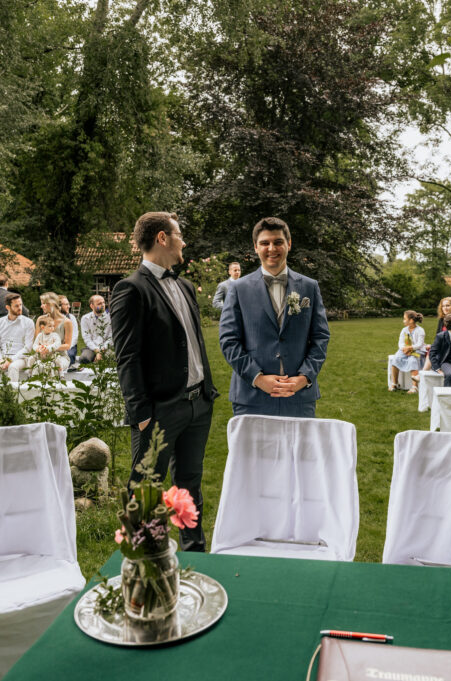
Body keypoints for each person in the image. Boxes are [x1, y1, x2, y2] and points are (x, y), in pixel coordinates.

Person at [110, 211, 217, 553]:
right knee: (146, 490)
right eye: (179, 234)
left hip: (198, 405)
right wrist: (141, 414)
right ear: (162, 238)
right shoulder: (131, 289)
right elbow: (127, 357)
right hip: (159, 411)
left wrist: (205, 395)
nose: (184, 241)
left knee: (189, 484)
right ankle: (148, 561)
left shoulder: (184, 286)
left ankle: (197, 556)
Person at [219, 217, 331, 417]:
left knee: (299, 450)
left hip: (298, 398)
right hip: (251, 398)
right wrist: (258, 378)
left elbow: (320, 337)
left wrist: (304, 378)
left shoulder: (309, 287)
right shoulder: (238, 289)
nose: (272, 248)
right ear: (255, 247)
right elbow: (228, 341)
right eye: (265, 243)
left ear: (288, 244)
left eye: (278, 242)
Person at [0, 293, 35, 383]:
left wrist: (10, 360)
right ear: (8, 307)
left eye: (21, 305)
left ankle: (12, 396)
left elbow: (28, 347)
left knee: (12, 367)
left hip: (20, 359)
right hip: (1, 358)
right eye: (16, 306)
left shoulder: (28, 323)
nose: (20, 308)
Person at [388, 311, 426, 393]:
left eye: (405, 319)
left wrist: (410, 348)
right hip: (404, 350)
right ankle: (395, 383)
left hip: (417, 350)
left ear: (411, 320)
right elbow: (400, 343)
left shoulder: (420, 330)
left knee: (413, 360)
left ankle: (414, 386)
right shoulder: (404, 330)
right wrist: (404, 349)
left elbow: (419, 344)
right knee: (396, 359)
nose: (403, 321)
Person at [79, 294, 112, 364]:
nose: (103, 305)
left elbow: (111, 337)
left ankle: (97, 358)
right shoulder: (85, 318)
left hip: (106, 347)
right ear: (92, 306)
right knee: (84, 359)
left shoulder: (110, 317)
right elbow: (86, 338)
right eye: (99, 303)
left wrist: (102, 350)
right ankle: (92, 356)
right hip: (91, 347)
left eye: (103, 302)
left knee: (111, 358)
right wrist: (96, 350)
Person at [59, 295, 79, 368]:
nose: (69, 306)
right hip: (57, 345)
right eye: (66, 304)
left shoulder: (71, 317)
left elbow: (75, 336)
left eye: (68, 304)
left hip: (70, 346)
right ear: (59, 306)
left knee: (69, 355)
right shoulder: (53, 318)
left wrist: (68, 346)